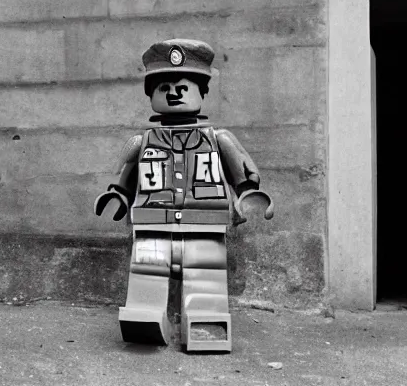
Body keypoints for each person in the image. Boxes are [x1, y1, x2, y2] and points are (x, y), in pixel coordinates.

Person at [94, 38, 273, 352]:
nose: (173, 92)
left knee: (205, 277)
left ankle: (206, 323)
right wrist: (118, 197)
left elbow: (242, 178)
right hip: (152, 224)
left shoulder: (219, 140)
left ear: (201, 92)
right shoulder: (142, 142)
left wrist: (248, 196)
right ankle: (145, 317)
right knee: (147, 275)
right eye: (163, 87)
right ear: (151, 94)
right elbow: (125, 179)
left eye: (183, 86)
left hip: (204, 224)